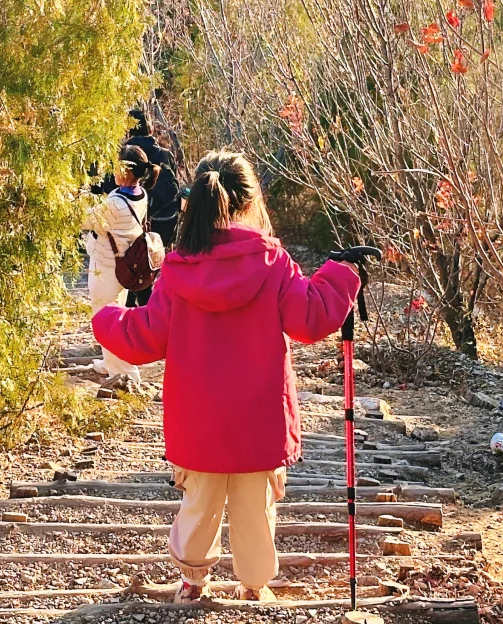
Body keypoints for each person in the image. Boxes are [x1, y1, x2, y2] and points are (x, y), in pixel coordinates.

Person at [92, 151, 360, 602]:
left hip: (197, 421)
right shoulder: (272, 262)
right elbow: (310, 319)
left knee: (198, 507)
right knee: (257, 511)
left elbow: (146, 338)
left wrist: (106, 318)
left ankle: (192, 583)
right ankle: (255, 587)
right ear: (251, 201)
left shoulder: (180, 269)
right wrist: (341, 274)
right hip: (259, 421)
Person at [82, 144, 161, 387]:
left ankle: (125, 373)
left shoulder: (115, 204)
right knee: (115, 316)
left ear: (125, 172)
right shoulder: (140, 194)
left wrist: (80, 195)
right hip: (123, 264)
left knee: (105, 319)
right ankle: (110, 363)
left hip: (107, 267)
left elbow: (86, 220)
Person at [123, 110, 183, 308]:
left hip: (140, 222)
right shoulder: (165, 154)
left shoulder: (126, 155)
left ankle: (138, 307)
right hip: (167, 222)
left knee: (139, 264)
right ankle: (157, 304)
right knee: (159, 267)